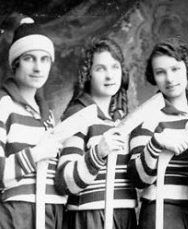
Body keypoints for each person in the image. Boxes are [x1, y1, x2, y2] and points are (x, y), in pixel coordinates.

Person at [55, 38, 137, 229]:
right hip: (89, 216)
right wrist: (97, 153)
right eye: (100, 69)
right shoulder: (78, 115)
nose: (110, 76)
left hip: (124, 215)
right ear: (88, 75)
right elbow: (64, 181)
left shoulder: (121, 118)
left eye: (114, 67)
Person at [127, 37, 188, 229]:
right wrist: (156, 143)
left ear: (187, 67)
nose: (169, 79)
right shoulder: (147, 114)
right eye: (160, 72)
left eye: (175, 69)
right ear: (153, 76)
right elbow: (138, 178)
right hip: (163, 211)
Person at [0, 17, 65, 229]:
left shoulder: (48, 114)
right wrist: (37, 153)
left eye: (45, 59)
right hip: (16, 214)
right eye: (29, 58)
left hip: (50, 212)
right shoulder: (4, 105)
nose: (38, 67)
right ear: (15, 63)